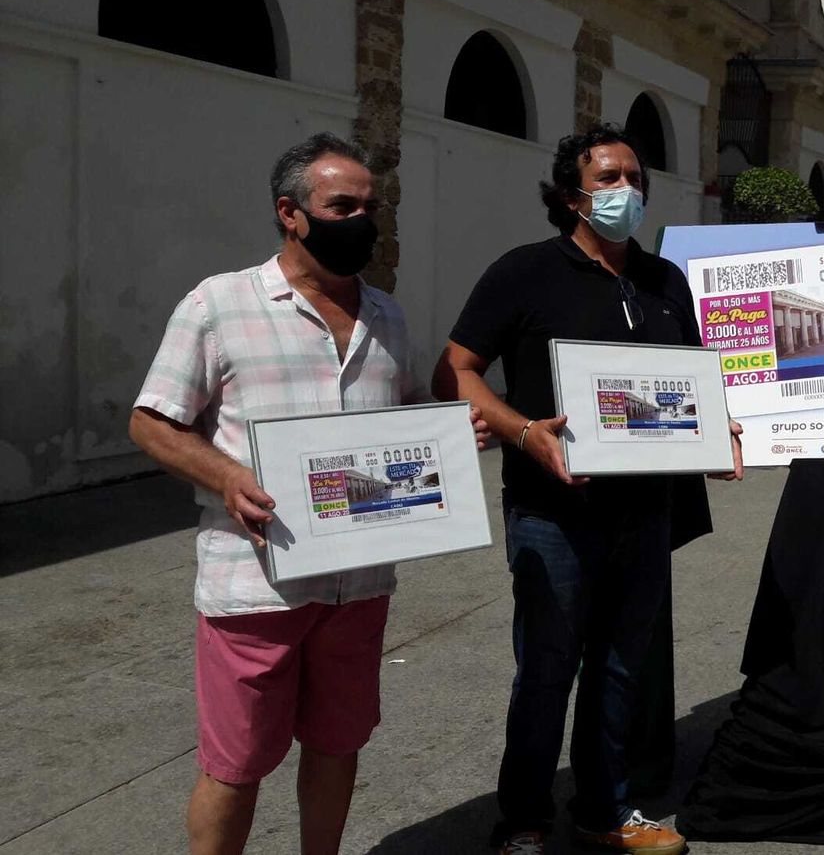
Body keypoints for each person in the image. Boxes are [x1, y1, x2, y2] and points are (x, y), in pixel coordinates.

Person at [128, 132, 484, 855]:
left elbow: (407, 409)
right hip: (257, 587)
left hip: (360, 585)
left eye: (369, 207)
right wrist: (227, 475)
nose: (361, 221)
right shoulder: (218, 305)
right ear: (290, 213)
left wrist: (448, 430)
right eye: (341, 205)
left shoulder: (387, 316)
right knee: (235, 768)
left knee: (337, 746)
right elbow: (150, 422)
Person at [434, 125, 742, 855]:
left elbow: (690, 384)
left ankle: (604, 810)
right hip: (553, 512)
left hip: (645, 510)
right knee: (546, 669)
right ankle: (525, 818)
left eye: (635, 176)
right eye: (608, 178)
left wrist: (717, 431)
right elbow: (457, 371)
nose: (626, 190)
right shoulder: (523, 274)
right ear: (571, 195)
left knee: (622, 666)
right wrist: (523, 432)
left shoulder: (666, 282)